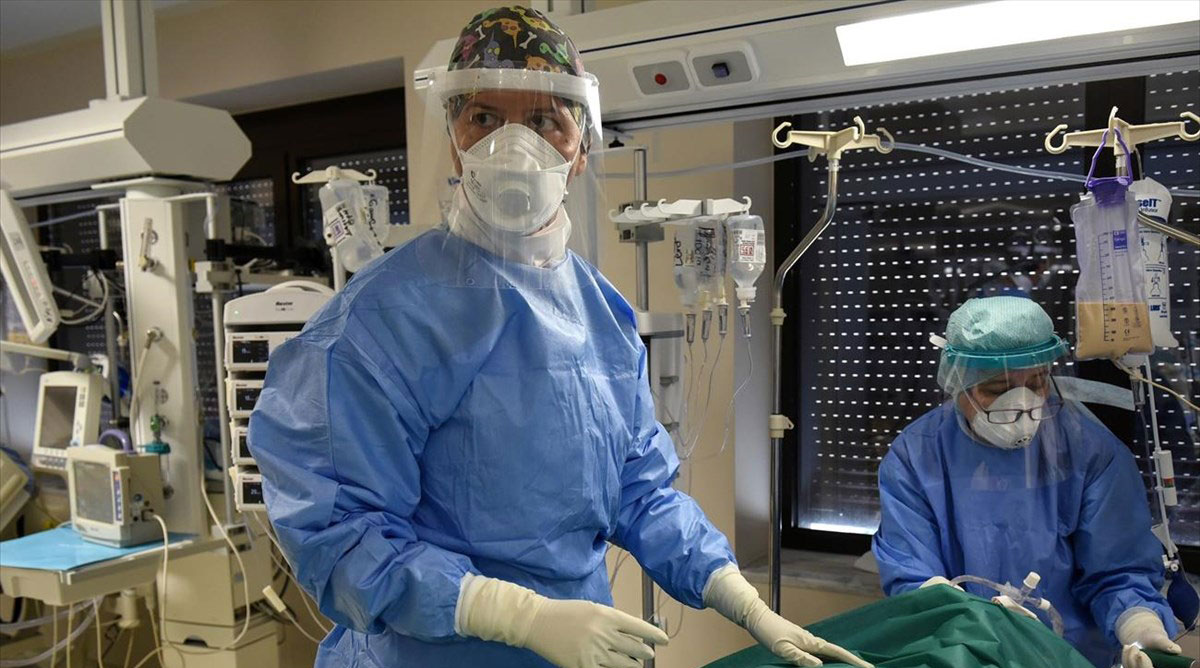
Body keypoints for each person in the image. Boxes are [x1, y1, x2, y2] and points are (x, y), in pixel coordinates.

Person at [250, 7, 871, 668]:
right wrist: (515, 615)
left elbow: (640, 492)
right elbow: (340, 533)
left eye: (546, 120)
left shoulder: (600, 315)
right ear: (454, 138)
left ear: (581, 150)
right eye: (484, 117)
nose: (514, 146)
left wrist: (738, 597)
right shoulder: (377, 322)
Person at [871, 295, 1182, 668]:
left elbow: (1119, 570)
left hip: (1070, 657)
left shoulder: (1089, 450)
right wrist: (962, 615)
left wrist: (1139, 624)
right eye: (996, 388)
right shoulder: (917, 456)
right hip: (961, 653)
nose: (1022, 403)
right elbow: (912, 575)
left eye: (1036, 382)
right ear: (957, 383)